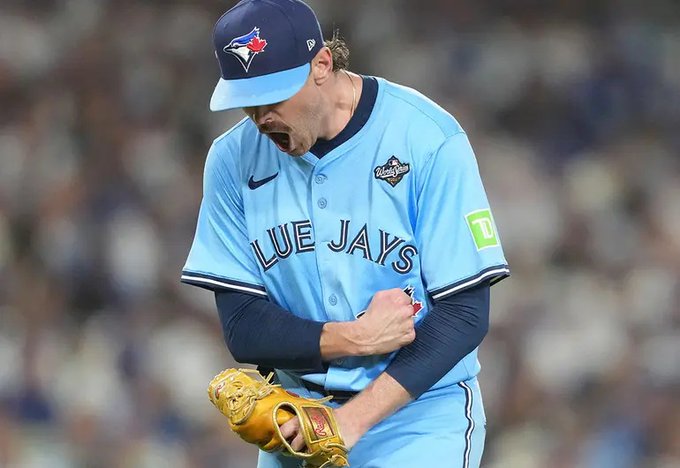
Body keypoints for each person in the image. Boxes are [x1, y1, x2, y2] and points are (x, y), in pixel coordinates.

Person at [181, 0, 509, 466]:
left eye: (273, 97)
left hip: (417, 419)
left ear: (322, 65)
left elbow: (465, 313)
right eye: (247, 101)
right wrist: (353, 338)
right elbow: (243, 326)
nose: (260, 116)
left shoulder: (427, 138)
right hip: (297, 419)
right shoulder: (232, 159)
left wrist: (351, 421)